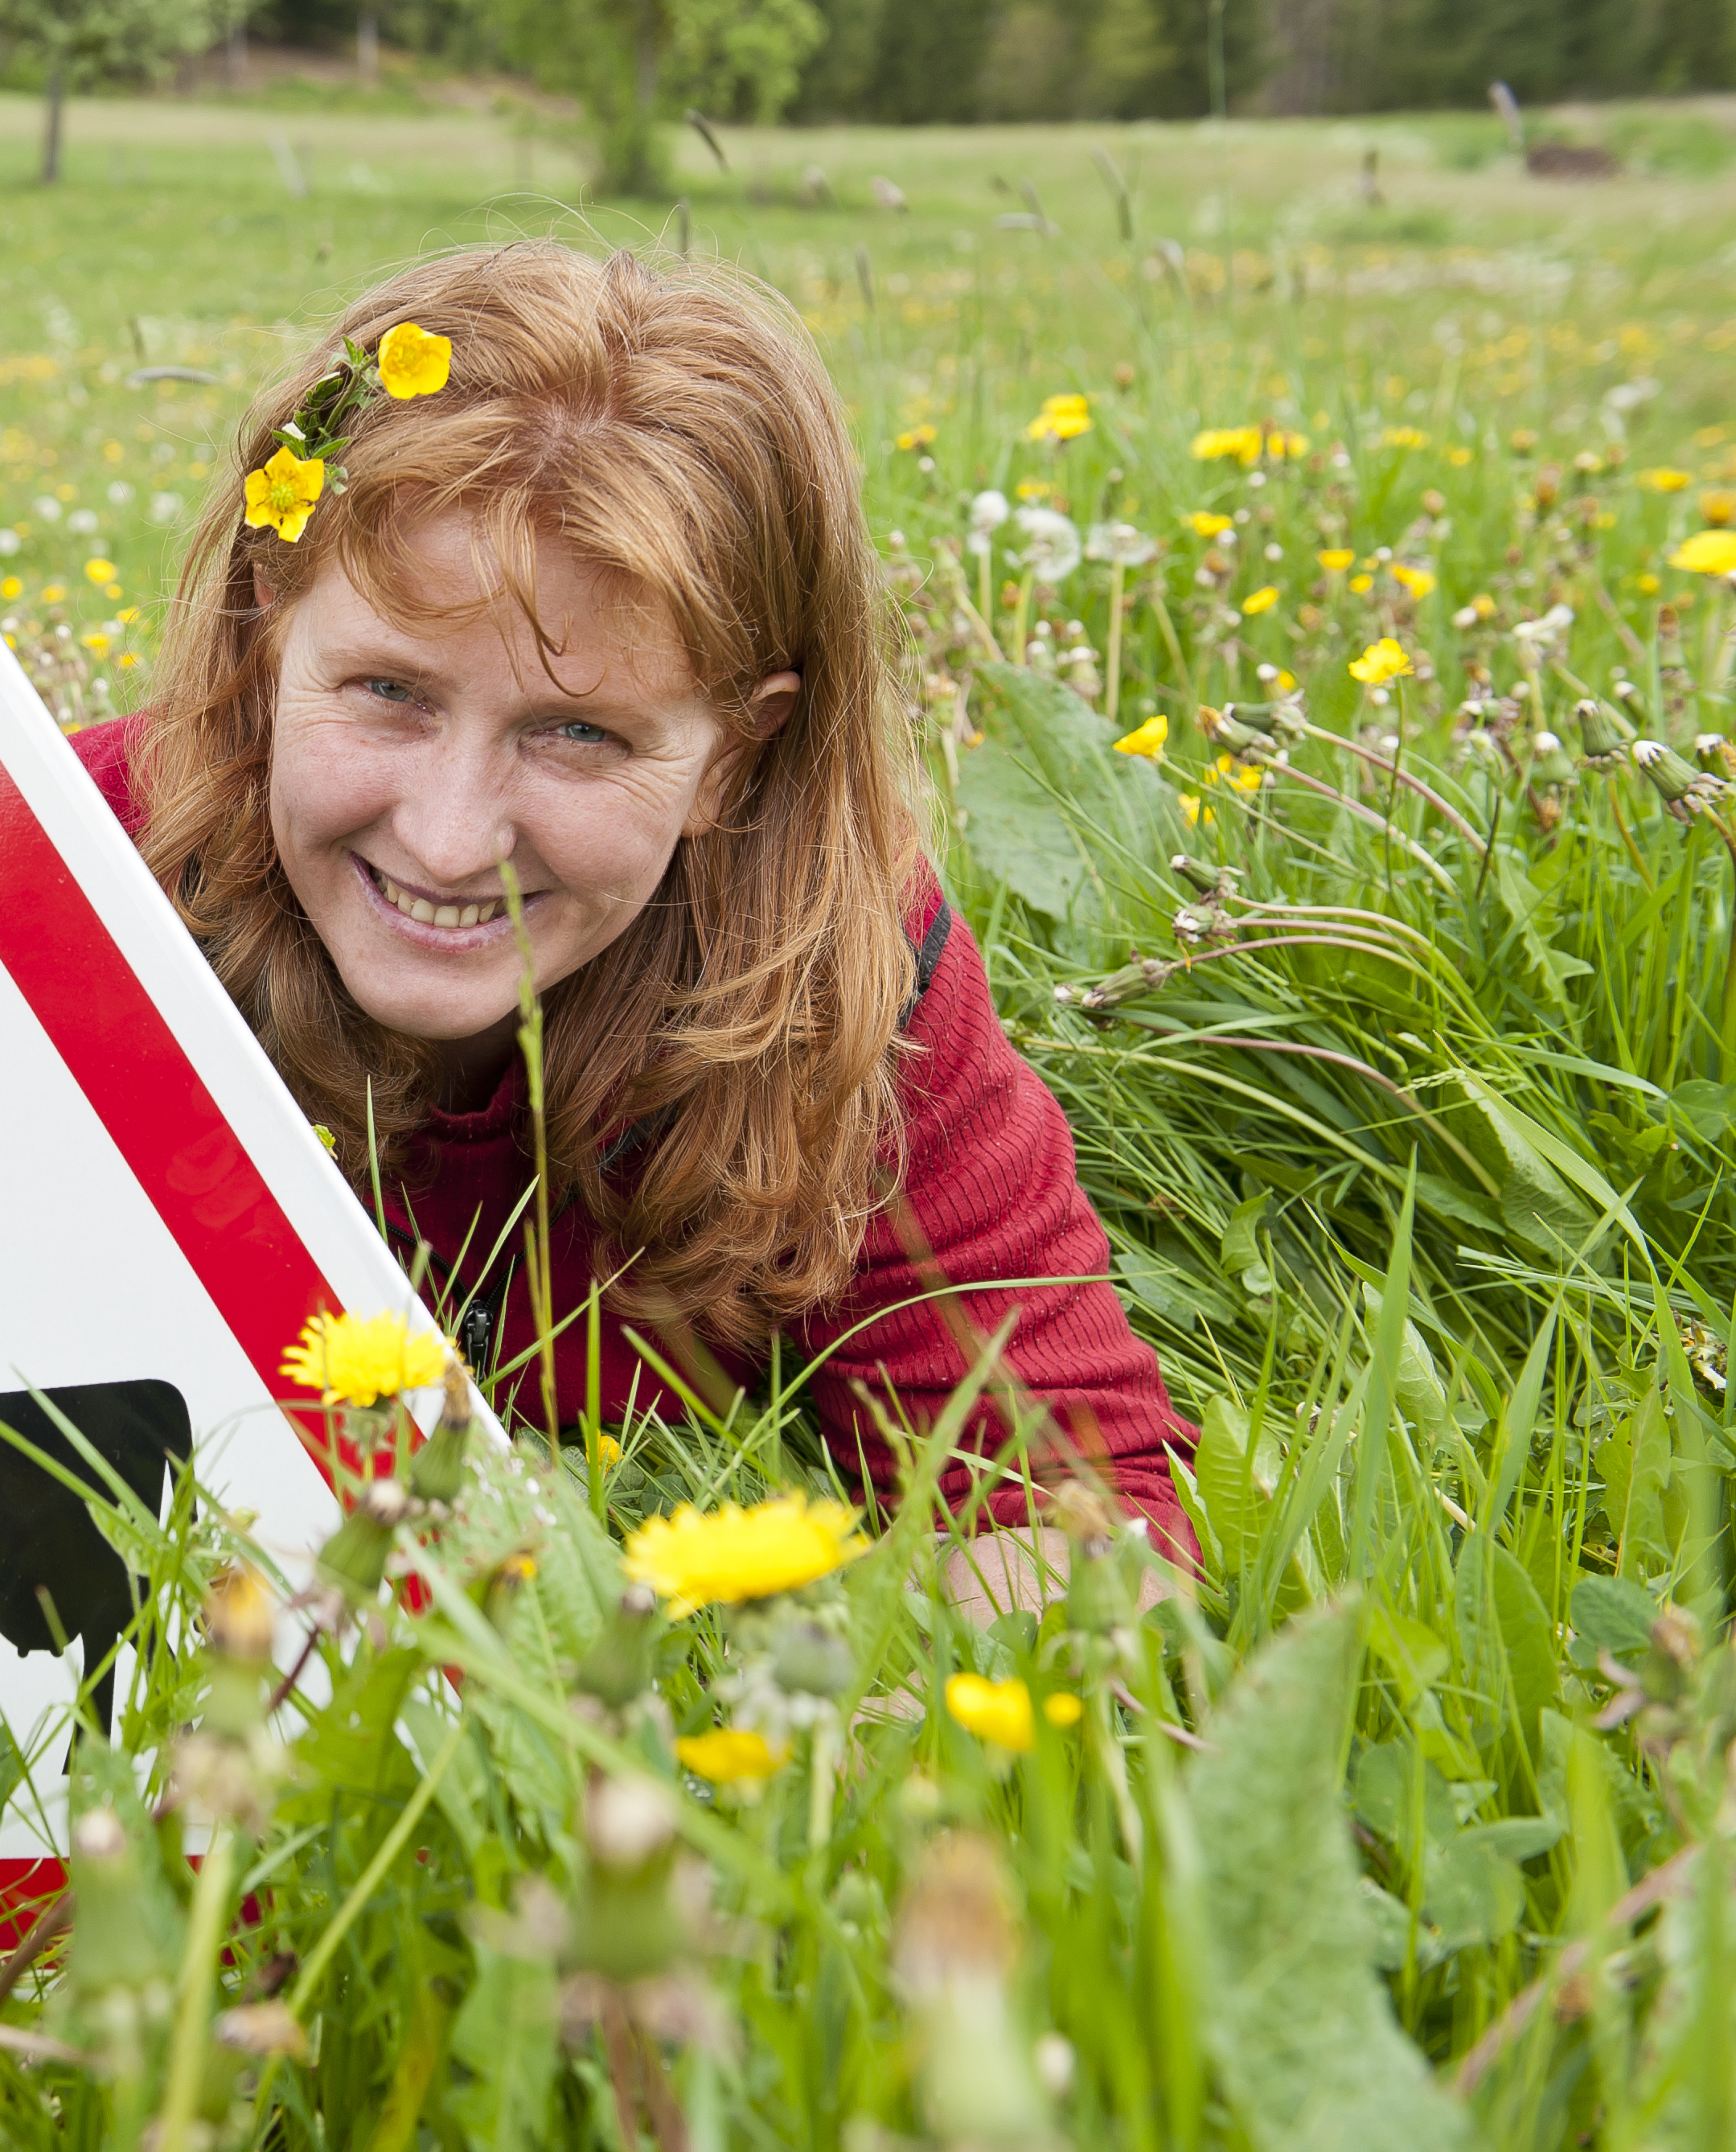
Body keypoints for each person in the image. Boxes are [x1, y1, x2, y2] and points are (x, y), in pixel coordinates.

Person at [69, 240, 1195, 1608]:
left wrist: (843, 1769)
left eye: (578, 733)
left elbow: (1076, 1500)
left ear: (734, 753)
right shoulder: (57, 862)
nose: (446, 834)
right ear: (265, 639)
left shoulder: (838, 973)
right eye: (387, 693)